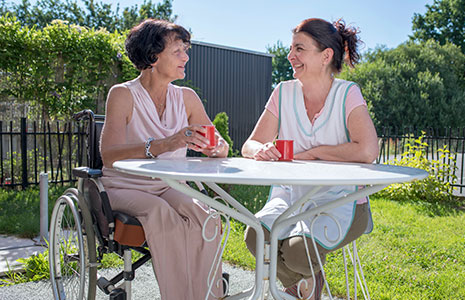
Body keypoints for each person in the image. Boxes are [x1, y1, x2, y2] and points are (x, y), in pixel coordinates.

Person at [242, 18, 379, 299]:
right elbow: (249, 144)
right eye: (291, 48)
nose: (290, 56)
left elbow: (367, 150)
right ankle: (309, 285)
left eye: (299, 49)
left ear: (325, 55)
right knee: (256, 237)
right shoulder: (283, 92)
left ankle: (302, 287)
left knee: (297, 252)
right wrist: (261, 149)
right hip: (290, 196)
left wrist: (316, 152)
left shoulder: (347, 93)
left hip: (342, 201)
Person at [99, 19, 229, 300]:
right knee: (161, 213)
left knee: (207, 215)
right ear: (153, 56)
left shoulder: (187, 98)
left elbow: (222, 146)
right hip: (125, 187)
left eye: (186, 49)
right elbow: (108, 154)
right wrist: (167, 143)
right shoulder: (122, 94)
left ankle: (210, 294)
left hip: (170, 185)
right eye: (178, 50)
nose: (186, 56)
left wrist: (213, 148)